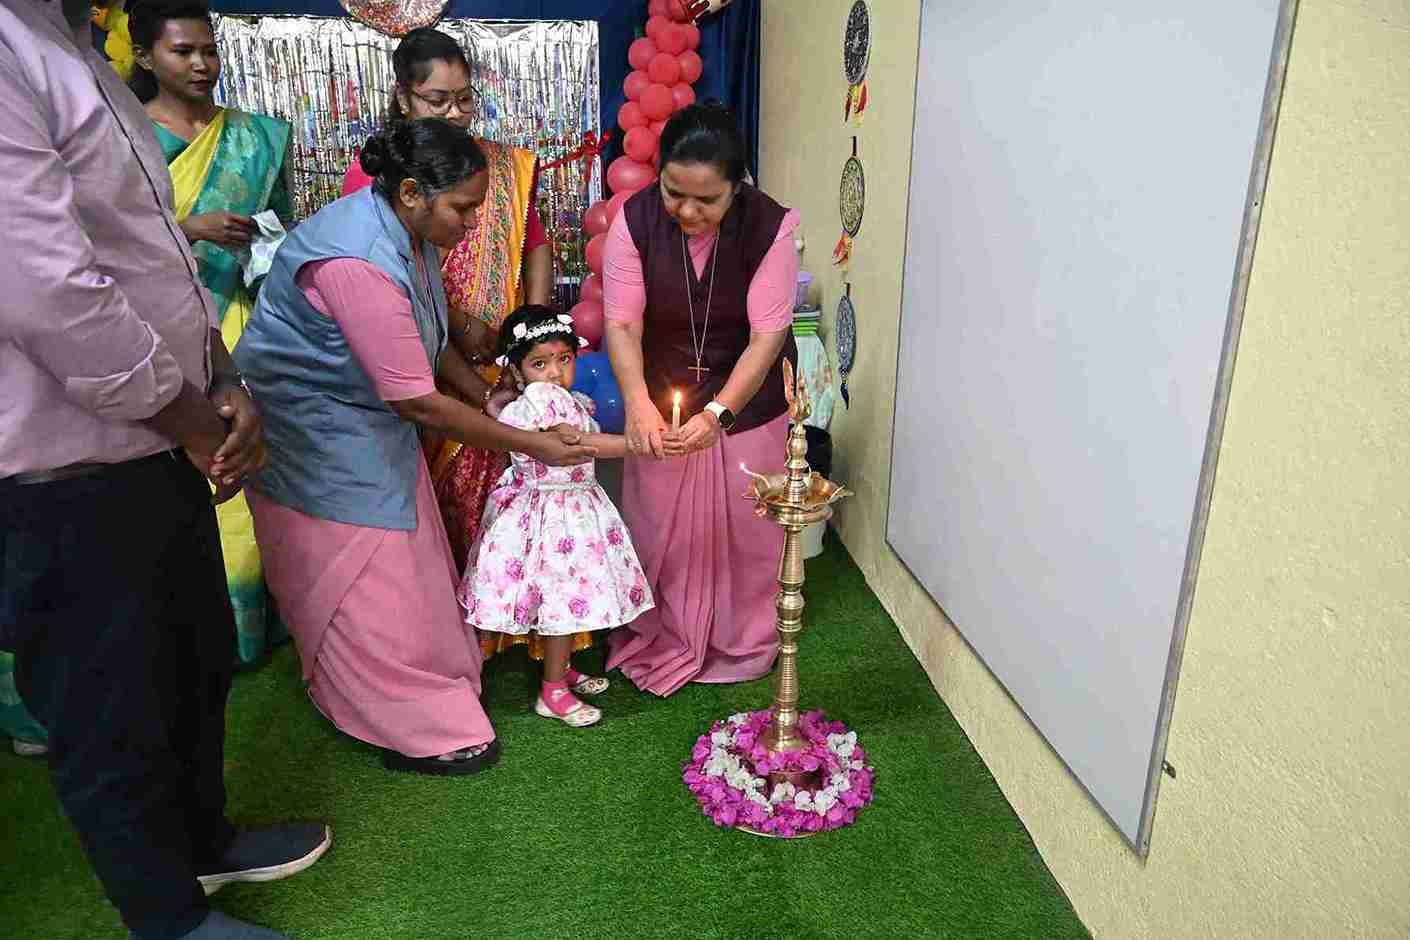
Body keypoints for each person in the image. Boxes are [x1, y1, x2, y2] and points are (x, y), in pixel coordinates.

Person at [0, 3, 329, 938]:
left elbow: (156, 251)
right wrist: (193, 418)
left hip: (161, 436)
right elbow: (47, 288)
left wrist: (223, 379)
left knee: (193, 662)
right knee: (109, 705)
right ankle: (166, 916)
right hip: (64, 470)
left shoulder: (76, 49)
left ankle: (201, 842)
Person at [235, 119, 596, 775]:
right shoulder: (357, 263)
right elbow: (417, 400)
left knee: (415, 564)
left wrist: (486, 398)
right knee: (374, 580)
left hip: (367, 421)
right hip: (311, 431)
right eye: (463, 207)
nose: (473, 222)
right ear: (410, 192)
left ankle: (437, 687)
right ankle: (410, 722)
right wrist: (529, 442)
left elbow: (425, 344)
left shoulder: (411, 234)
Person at [339, 28, 594, 665]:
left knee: (513, 489)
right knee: (437, 496)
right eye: (437, 100)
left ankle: (515, 622)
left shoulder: (502, 166)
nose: (454, 113)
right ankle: (443, 627)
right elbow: (386, 276)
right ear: (403, 98)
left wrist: (527, 331)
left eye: (464, 99)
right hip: (419, 357)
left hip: (501, 354)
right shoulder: (374, 175)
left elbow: (534, 243)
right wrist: (453, 323)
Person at [602, 103, 801, 697]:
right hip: (660, 396)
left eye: (706, 200)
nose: (687, 212)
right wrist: (637, 402)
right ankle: (659, 630)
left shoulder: (771, 227)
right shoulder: (634, 220)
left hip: (749, 403)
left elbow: (767, 337)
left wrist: (719, 413)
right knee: (658, 524)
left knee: (747, 529)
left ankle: (741, 641)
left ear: (737, 187)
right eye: (673, 193)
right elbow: (623, 324)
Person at [129, 0, 294, 666]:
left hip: (246, 323)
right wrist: (188, 228)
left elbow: (283, 231)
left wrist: (265, 241)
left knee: (249, 474)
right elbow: (107, 240)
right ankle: (187, 627)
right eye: (182, 52)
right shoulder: (126, 136)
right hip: (162, 326)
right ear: (145, 57)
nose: (201, 64)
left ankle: (250, 625)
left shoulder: (258, 137)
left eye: (209, 50)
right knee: (182, 476)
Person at [458, 306, 653, 728]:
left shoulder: (569, 400)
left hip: (573, 510)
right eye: (540, 364)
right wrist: (641, 443)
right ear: (517, 370)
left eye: (564, 359)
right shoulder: (539, 403)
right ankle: (552, 691)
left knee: (562, 598)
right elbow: (582, 446)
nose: (554, 372)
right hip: (550, 517)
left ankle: (559, 669)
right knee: (561, 598)